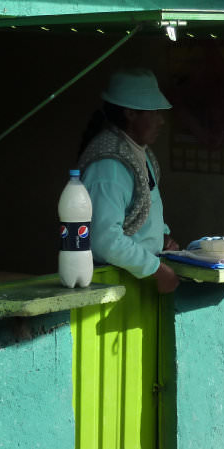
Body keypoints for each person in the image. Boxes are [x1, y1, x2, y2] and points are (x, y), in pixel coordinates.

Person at [77, 68, 181, 293]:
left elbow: (144, 208)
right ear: (130, 114)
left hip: (134, 280)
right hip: (110, 284)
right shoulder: (108, 167)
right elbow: (105, 240)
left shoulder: (138, 153)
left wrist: (160, 236)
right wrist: (156, 269)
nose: (161, 121)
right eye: (153, 112)